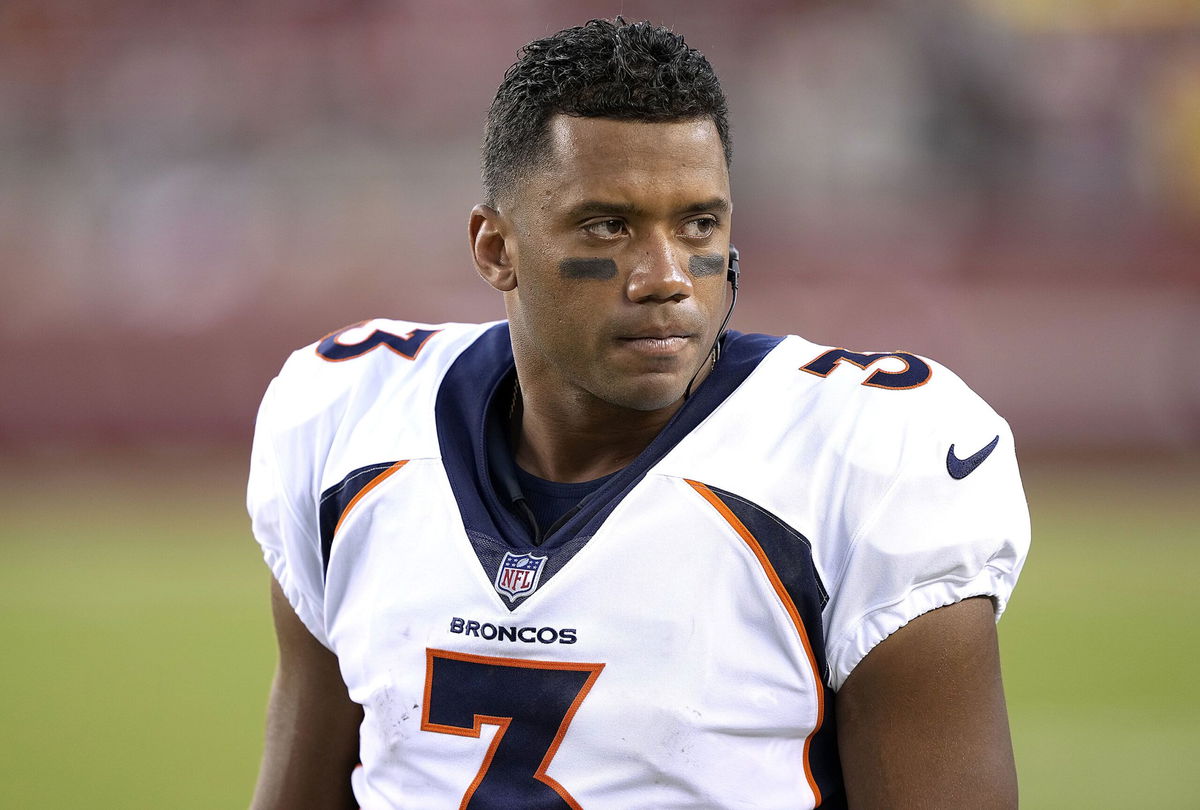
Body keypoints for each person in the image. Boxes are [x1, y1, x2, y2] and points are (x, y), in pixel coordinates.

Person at [247, 18, 1029, 810]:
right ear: (495, 249)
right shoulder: (349, 421)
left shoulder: (864, 458)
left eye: (698, 224)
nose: (666, 279)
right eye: (608, 226)